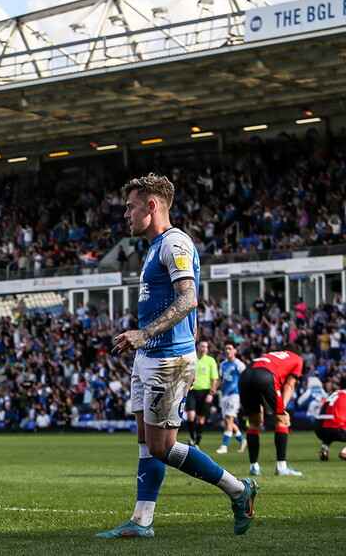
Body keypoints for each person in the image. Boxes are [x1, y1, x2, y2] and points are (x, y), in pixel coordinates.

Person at [97, 173, 257, 539]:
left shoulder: (175, 243)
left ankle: (238, 489)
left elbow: (188, 298)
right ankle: (142, 521)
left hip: (166, 358)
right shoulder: (155, 246)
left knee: (162, 446)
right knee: (145, 439)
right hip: (150, 356)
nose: (126, 214)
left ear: (151, 206)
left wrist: (146, 334)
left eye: (131, 207)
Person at [239, 345, 304, 476]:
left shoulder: (272, 355)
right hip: (265, 375)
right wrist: (282, 410)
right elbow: (289, 385)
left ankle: (254, 467)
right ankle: (281, 467)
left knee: (254, 423)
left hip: (245, 376)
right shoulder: (297, 359)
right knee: (280, 420)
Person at [184, 340, 219, 448]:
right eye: (202, 346)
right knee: (191, 416)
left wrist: (211, 393)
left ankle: (197, 443)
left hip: (205, 392)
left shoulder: (211, 360)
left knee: (201, 418)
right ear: (197, 347)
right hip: (192, 391)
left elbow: (214, 378)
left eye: (206, 347)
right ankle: (192, 437)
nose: (204, 349)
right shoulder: (191, 358)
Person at [216, 343, 247, 454]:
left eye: (229, 348)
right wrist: (214, 387)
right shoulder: (223, 364)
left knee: (229, 419)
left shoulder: (239, 364)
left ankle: (224, 446)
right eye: (226, 349)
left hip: (235, 394)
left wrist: (244, 396)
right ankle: (242, 440)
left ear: (235, 350)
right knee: (227, 421)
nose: (227, 351)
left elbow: (245, 379)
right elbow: (221, 379)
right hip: (224, 395)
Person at [315, 389, 346, 461]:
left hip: (319, 429)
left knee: (330, 426)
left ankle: (324, 449)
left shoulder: (336, 392)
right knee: (334, 425)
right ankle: (344, 452)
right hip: (336, 430)